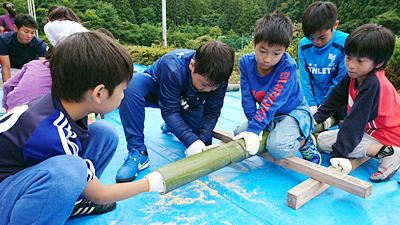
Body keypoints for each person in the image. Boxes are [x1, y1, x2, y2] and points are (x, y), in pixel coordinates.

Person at [0, 31, 165, 225]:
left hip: (20, 177)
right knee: (70, 171)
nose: (123, 95)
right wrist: (150, 183)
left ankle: (75, 202)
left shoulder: (62, 105)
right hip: (6, 192)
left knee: (104, 134)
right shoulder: (52, 132)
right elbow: (101, 195)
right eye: (122, 90)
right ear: (99, 93)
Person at [117, 41, 235, 183]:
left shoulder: (219, 79)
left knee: (202, 142)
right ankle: (138, 152)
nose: (208, 90)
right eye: (204, 84)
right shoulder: (173, 66)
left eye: (213, 87)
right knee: (132, 87)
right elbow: (170, 111)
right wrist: (191, 141)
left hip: (189, 102)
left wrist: (201, 141)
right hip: (158, 92)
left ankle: (174, 126)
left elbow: (211, 113)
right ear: (192, 65)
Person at [314, 24, 400, 182]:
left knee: (331, 144)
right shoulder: (355, 75)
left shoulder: (373, 83)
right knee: (323, 140)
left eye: (360, 60)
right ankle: (381, 149)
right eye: (348, 57)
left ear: (379, 63)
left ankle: (388, 152)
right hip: (369, 130)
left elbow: (355, 121)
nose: (351, 65)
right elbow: (335, 98)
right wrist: (316, 118)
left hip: (388, 135)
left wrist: (340, 154)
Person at [232, 10, 320, 165]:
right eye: (262, 51)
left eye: (276, 54)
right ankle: (273, 130)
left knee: (277, 148)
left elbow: (272, 100)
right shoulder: (245, 63)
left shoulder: (287, 67)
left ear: (285, 50)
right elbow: (247, 98)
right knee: (239, 133)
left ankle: (305, 141)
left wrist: (255, 129)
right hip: (269, 114)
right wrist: (253, 124)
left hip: (292, 112)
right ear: (254, 42)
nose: (267, 59)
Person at [298, 1, 349, 128]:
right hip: (313, 100)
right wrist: (312, 105)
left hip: (338, 100)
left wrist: (325, 107)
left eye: (322, 37)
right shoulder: (304, 45)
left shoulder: (345, 43)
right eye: (311, 38)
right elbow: (305, 79)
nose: (316, 42)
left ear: (335, 25)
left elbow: (341, 80)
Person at [2, 46, 52, 111]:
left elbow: (7, 85)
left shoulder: (32, 64)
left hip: (14, 105)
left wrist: (6, 106)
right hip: (38, 110)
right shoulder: (62, 71)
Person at [0, 14, 46, 83]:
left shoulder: (39, 44)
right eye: (26, 32)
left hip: (31, 71)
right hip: (12, 69)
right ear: (15, 28)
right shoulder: (4, 40)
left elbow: (41, 68)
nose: (29, 36)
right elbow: (6, 68)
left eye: (32, 33)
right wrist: (8, 90)